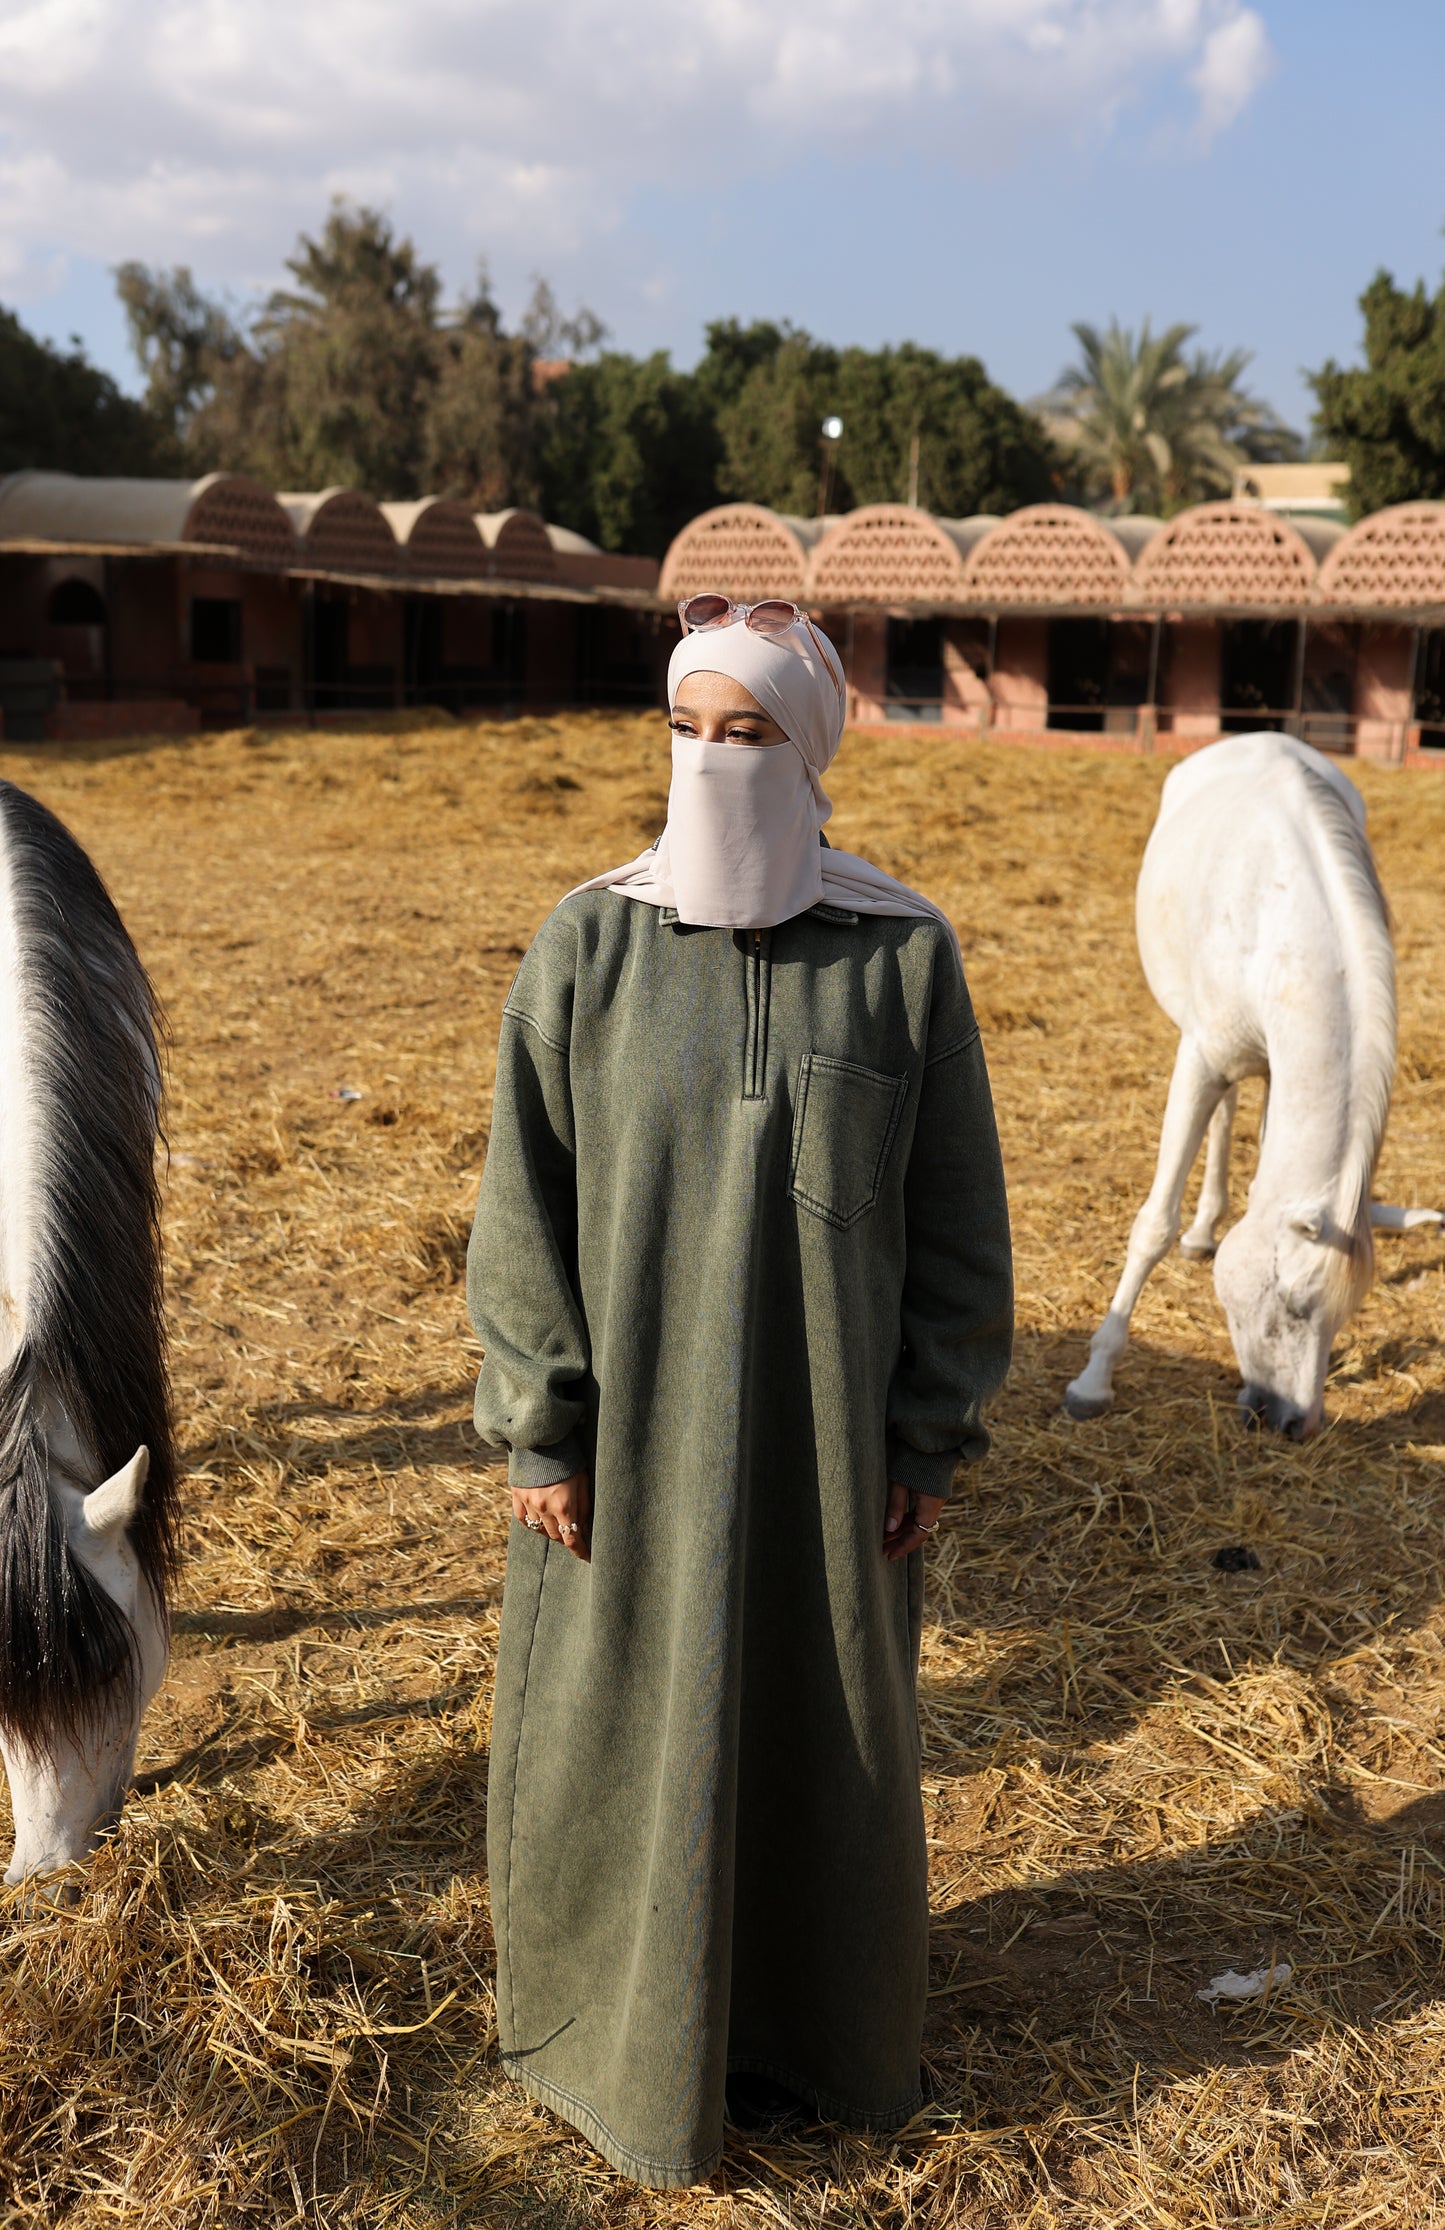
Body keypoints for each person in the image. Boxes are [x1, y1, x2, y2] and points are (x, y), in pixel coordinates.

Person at [467, 595, 1013, 2189]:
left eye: (751, 731)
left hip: (829, 1462)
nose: (712, 761)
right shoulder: (587, 945)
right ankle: (610, 2045)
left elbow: (960, 1230)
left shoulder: (899, 958)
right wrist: (541, 1420)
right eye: (687, 729)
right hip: (625, 1458)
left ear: (814, 745)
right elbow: (525, 1209)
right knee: (612, 1726)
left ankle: (817, 2042)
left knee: (822, 1723)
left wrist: (930, 1428)